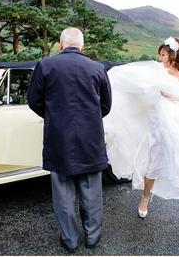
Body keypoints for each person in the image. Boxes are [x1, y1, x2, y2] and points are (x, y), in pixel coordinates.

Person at [103, 37, 179, 228]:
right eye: (160, 54)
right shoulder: (158, 72)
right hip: (157, 125)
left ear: (172, 54)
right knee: (152, 165)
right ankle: (146, 198)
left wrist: (173, 95)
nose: (160, 57)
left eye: (163, 54)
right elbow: (139, 86)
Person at [27, 27, 112, 252]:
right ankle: (92, 239)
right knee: (92, 192)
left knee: (63, 194)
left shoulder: (45, 65)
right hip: (91, 139)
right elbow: (106, 105)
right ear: (82, 45)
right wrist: (89, 119)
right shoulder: (97, 68)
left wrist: (54, 116)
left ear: (60, 44)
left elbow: (33, 100)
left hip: (59, 138)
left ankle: (70, 241)